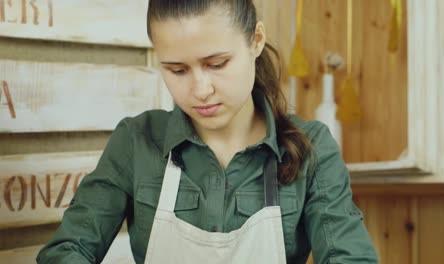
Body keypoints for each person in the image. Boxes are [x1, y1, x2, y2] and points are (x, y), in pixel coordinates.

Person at [37, 0, 378, 263]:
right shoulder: (136, 141)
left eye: (217, 65)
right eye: (178, 70)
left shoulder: (312, 147)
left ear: (256, 40)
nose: (200, 90)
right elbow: (67, 250)